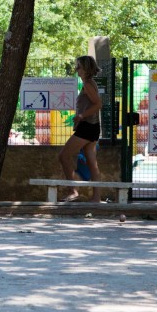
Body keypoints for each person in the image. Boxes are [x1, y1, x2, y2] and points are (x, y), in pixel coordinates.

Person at [57, 55, 102, 203]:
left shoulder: (88, 84)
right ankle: (96, 197)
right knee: (92, 163)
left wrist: (81, 116)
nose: (76, 69)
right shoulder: (88, 83)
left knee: (63, 156)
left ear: (86, 69)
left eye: (79, 66)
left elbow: (98, 104)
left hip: (88, 127)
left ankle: (73, 191)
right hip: (92, 127)